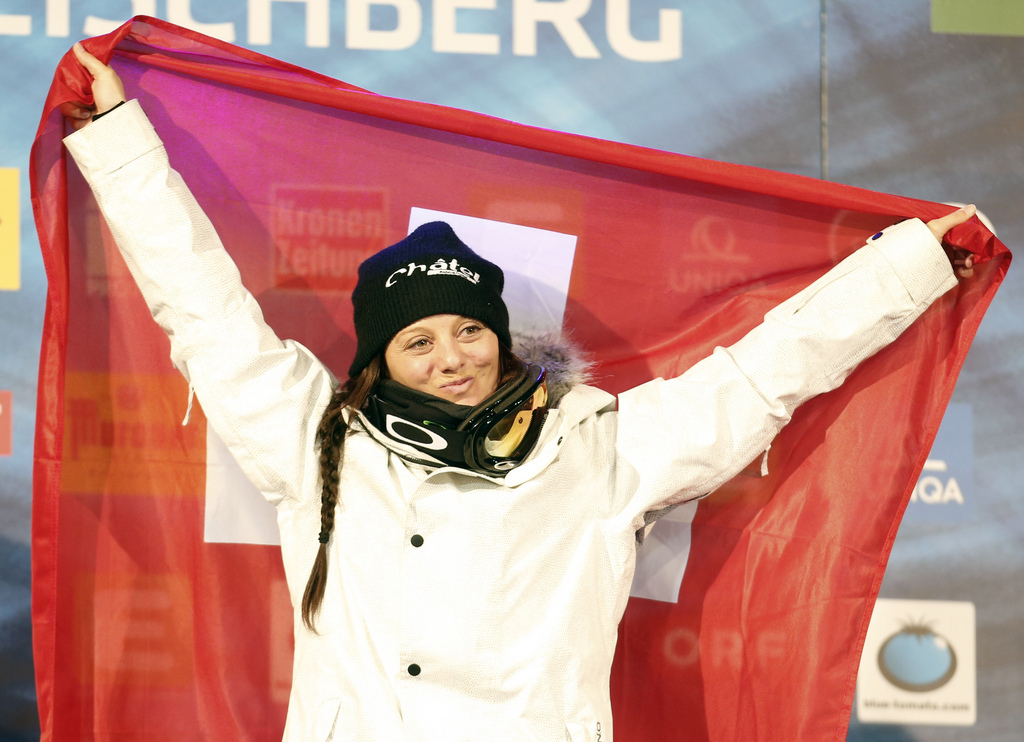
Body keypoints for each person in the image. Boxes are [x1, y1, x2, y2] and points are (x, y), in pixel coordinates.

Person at [62, 42, 976, 742]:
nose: (451, 357)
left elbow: (762, 377)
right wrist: (117, 142)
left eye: (470, 331)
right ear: (379, 361)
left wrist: (909, 266)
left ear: (502, 338)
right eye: (418, 341)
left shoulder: (599, 449)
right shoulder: (316, 442)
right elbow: (204, 310)